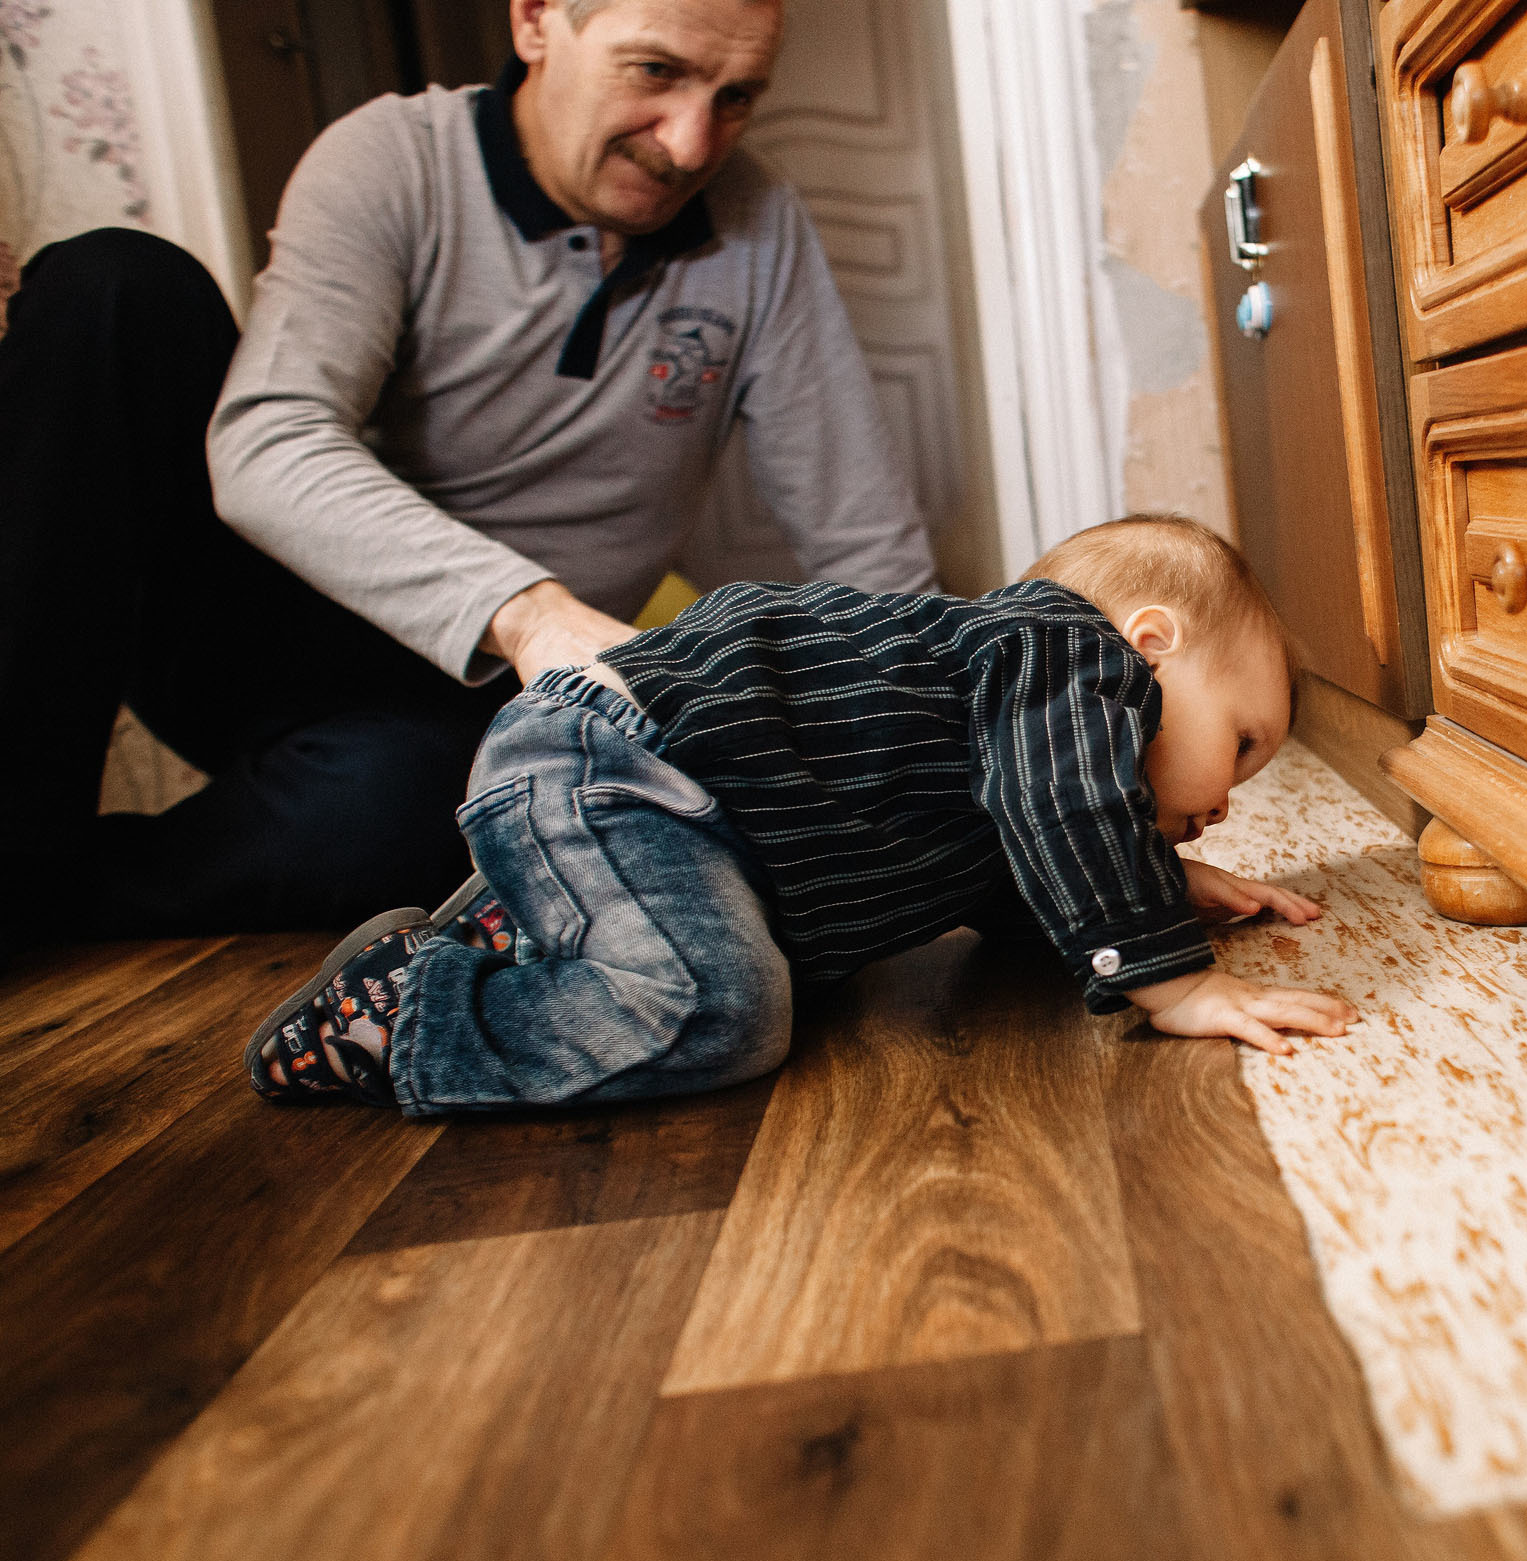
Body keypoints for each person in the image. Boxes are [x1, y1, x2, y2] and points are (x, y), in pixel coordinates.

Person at [0, 0, 931, 952]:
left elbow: (860, 531)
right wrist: (531, 611)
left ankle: (50, 898)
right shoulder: (395, 159)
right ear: (535, 22)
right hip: (290, 623)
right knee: (114, 286)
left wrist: (937, 753)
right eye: (654, 72)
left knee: (411, 812)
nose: (692, 144)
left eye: (735, 96)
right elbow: (267, 443)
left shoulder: (757, 220)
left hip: (470, 714)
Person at [242, 516, 1359, 1114]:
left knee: (728, 957)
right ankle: (409, 1013)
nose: (1223, 798)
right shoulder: (1065, 649)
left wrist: (1156, 888)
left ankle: (503, 933)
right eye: (1242, 743)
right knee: (723, 1012)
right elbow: (1062, 800)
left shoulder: (1001, 744)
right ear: (1150, 643)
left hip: (642, 800)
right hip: (623, 765)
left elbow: (1027, 866)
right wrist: (1178, 979)